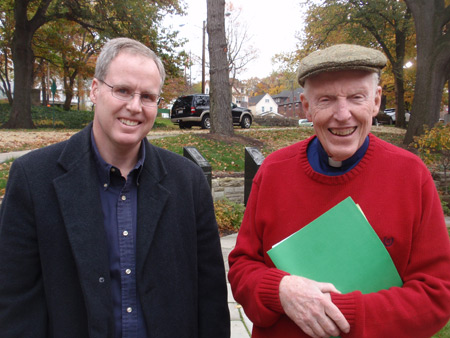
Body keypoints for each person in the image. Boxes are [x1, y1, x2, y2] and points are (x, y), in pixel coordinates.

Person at [0, 37, 230, 338]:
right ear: (95, 90)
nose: (135, 107)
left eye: (147, 96)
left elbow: (210, 299)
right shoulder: (33, 179)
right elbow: (14, 302)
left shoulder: (187, 182)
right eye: (122, 90)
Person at [228, 44, 450, 338]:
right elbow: (242, 267)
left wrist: (340, 313)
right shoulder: (273, 171)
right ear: (307, 106)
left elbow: (437, 293)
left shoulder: (410, 175)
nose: (342, 114)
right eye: (326, 100)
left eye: (356, 97)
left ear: (376, 101)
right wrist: (280, 289)